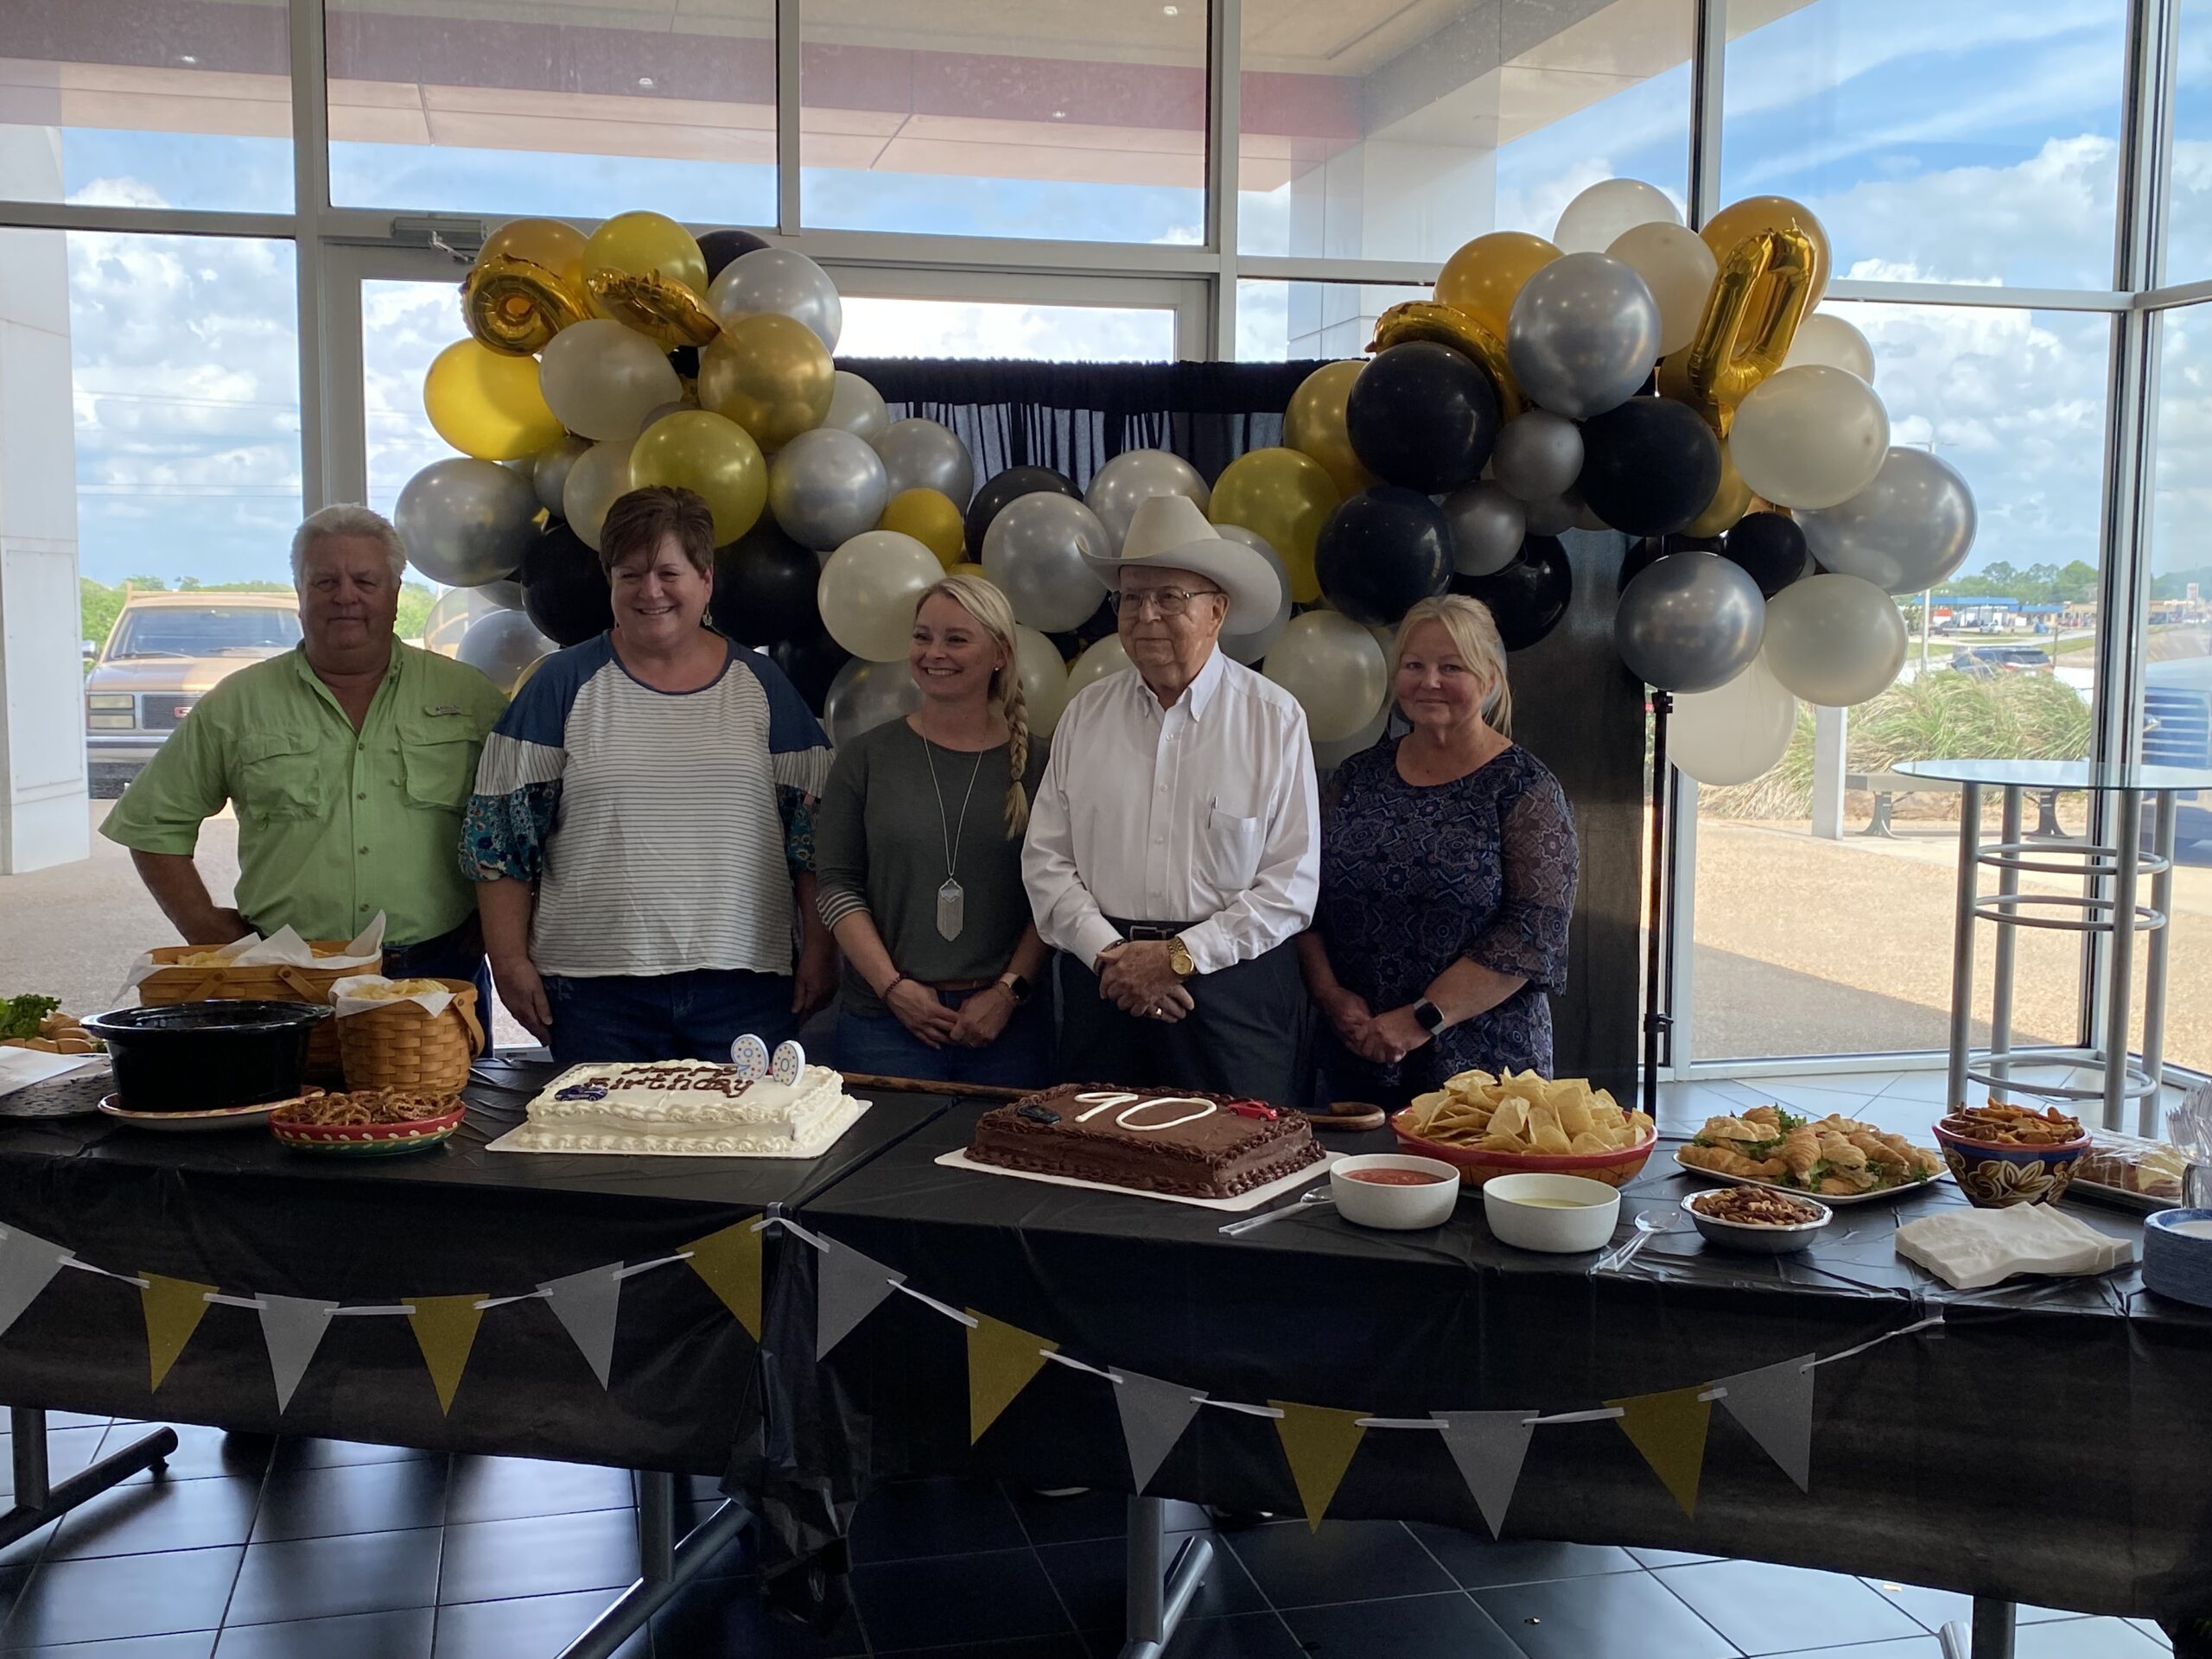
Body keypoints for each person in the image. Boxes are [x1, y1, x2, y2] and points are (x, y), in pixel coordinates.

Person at [461, 486, 836, 1064]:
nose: (650, 591)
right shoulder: (559, 686)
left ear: (705, 579)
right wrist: (508, 961)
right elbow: (501, 840)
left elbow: (813, 839)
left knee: (743, 1127)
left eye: (668, 573)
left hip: (744, 988)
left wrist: (819, 950)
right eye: (630, 575)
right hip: (594, 995)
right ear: (609, 581)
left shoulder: (764, 688)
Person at [103, 505, 506, 991]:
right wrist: (204, 927)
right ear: (300, 593)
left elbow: (524, 822)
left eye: (365, 581)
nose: (346, 596)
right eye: (325, 582)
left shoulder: (469, 697)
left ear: (396, 593)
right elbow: (150, 823)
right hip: (285, 975)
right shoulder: (238, 704)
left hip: (440, 970)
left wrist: (496, 928)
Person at [1023, 493, 1318, 1108]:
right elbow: (1046, 861)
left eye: (1170, 597)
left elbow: (1291, 885)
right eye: (1131, 598)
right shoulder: (1086, 714)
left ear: (1217, 610)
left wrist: (1179, 957)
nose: (1146, 615)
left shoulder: (1273, 719)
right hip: (1103, 986)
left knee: (1241, 1156)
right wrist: (1112, 956)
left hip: (1231, 992)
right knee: (1092, 1155)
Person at [1298, 594, 1578, 1109]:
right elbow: (1304, 898)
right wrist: (1329, 995)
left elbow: (1531, 935)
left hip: (1482, 1071)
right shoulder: (1357, 777)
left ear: (1489, 679)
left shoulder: (1524, 788)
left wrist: (1419, 1019)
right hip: (1352, 1054)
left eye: (1451, 667)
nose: (1429, 682)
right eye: (1414, 665)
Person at [814, 575, 1052, 1086]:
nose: (934, 652)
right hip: (883, 1024)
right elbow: (836, 885)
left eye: (956, 639)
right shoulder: (865, 758)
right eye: (922, 637)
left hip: (1006, 1026)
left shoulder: (1042, 764)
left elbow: (1056, 895)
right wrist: (892, 988)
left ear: (1000, 654)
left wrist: (1007, 993)